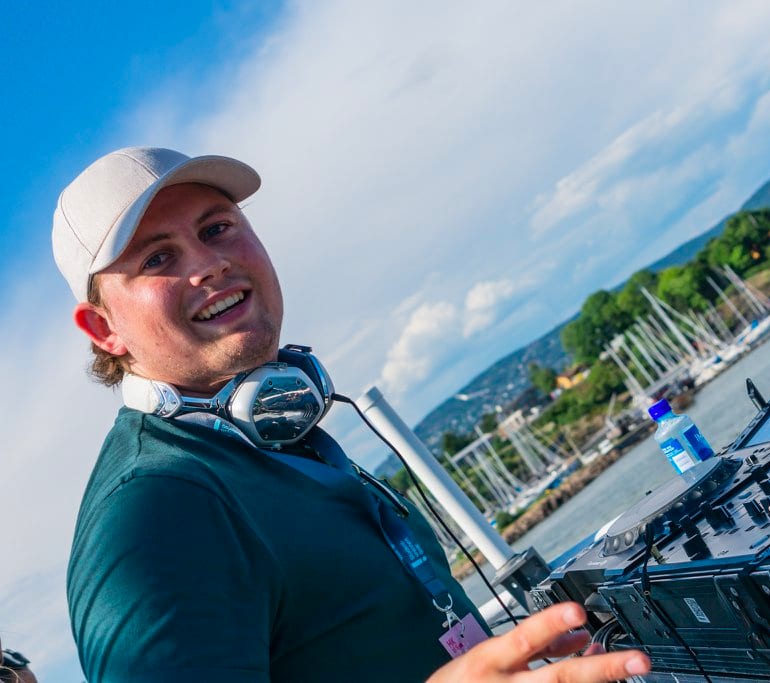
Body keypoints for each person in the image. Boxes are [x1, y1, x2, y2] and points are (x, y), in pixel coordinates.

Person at [54, 147, 650, 682]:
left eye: (217, 228)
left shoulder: (282, 439)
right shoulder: (151, 510)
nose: (208, 265)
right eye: (158, 258)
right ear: (104, 329)